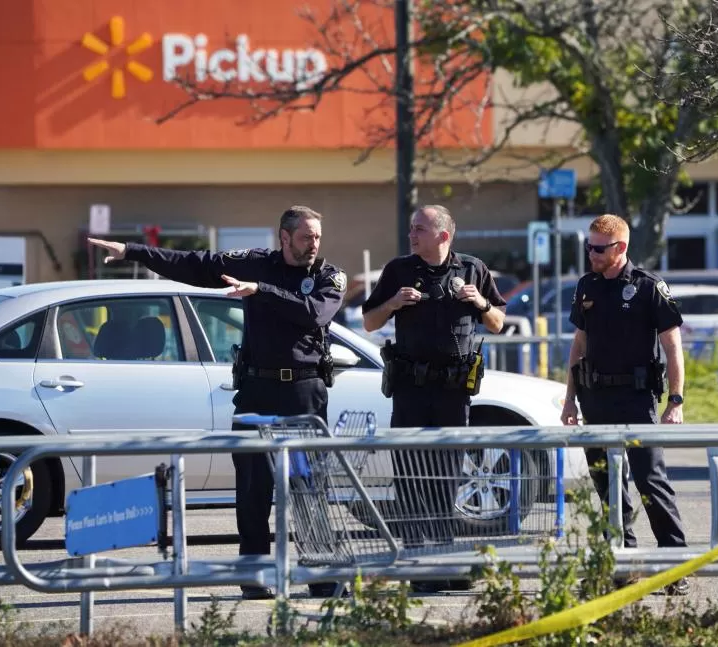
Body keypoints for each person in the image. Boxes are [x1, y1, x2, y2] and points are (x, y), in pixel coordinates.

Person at [87, 205, 346, 600]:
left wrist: (262, 291)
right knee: (253, 490)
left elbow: (313, 315)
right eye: (306, 237)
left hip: (302, 395)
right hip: (258, 392)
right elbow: (194, 264)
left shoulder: (327, 275)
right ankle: (256, 577)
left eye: (317, 237)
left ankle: (323, 579)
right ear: (284, 237)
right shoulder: (256, 263)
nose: (314, 244)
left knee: (307, 485)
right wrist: (132, 252)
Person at [361, 204, 506, 593]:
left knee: (446, 476)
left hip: (452, 393)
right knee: (410, 476)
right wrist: (392, 304)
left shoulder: (472, 269)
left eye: (419, 229)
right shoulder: (399, 270)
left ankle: (443, 561)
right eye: (411, 228)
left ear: (443, 235)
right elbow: (369, 321)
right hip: (410, 390)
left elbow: (498, 322)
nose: (412, 235)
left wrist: (480, 303)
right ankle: (415, 564)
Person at [560, 214, 691, 596]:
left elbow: (672, 346)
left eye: (598, 248)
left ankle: (674, 565)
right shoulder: (587, 286)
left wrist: (676, 400)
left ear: (620, 248)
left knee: (651, 483)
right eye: (588, 246)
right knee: (606, 486)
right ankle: (619, 563)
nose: (591, 253)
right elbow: (578, 345)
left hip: (636, 401)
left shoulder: (648, 287)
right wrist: (569, 398)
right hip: (595, 399)